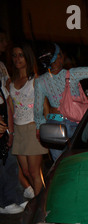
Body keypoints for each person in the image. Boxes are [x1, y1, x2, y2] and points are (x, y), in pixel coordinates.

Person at [8, 42, 47, 197]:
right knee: (25, 171)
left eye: (21, 55)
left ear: (27, 57)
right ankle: (42, 198)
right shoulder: (11, 82)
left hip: (32, 129)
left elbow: (45, 107)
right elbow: (11, 108)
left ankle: (40, 207)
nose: (17, 59)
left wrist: (40, 128)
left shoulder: (35, 80)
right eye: (14, 55)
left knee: (34, 171)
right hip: (18, 130)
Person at [0, 30, 25, 214]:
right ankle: (6, 201)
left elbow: (7, 93)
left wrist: (10, 127)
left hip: (4, 109)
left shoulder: (1, 65)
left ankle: (13, 196)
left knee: (9, 159)